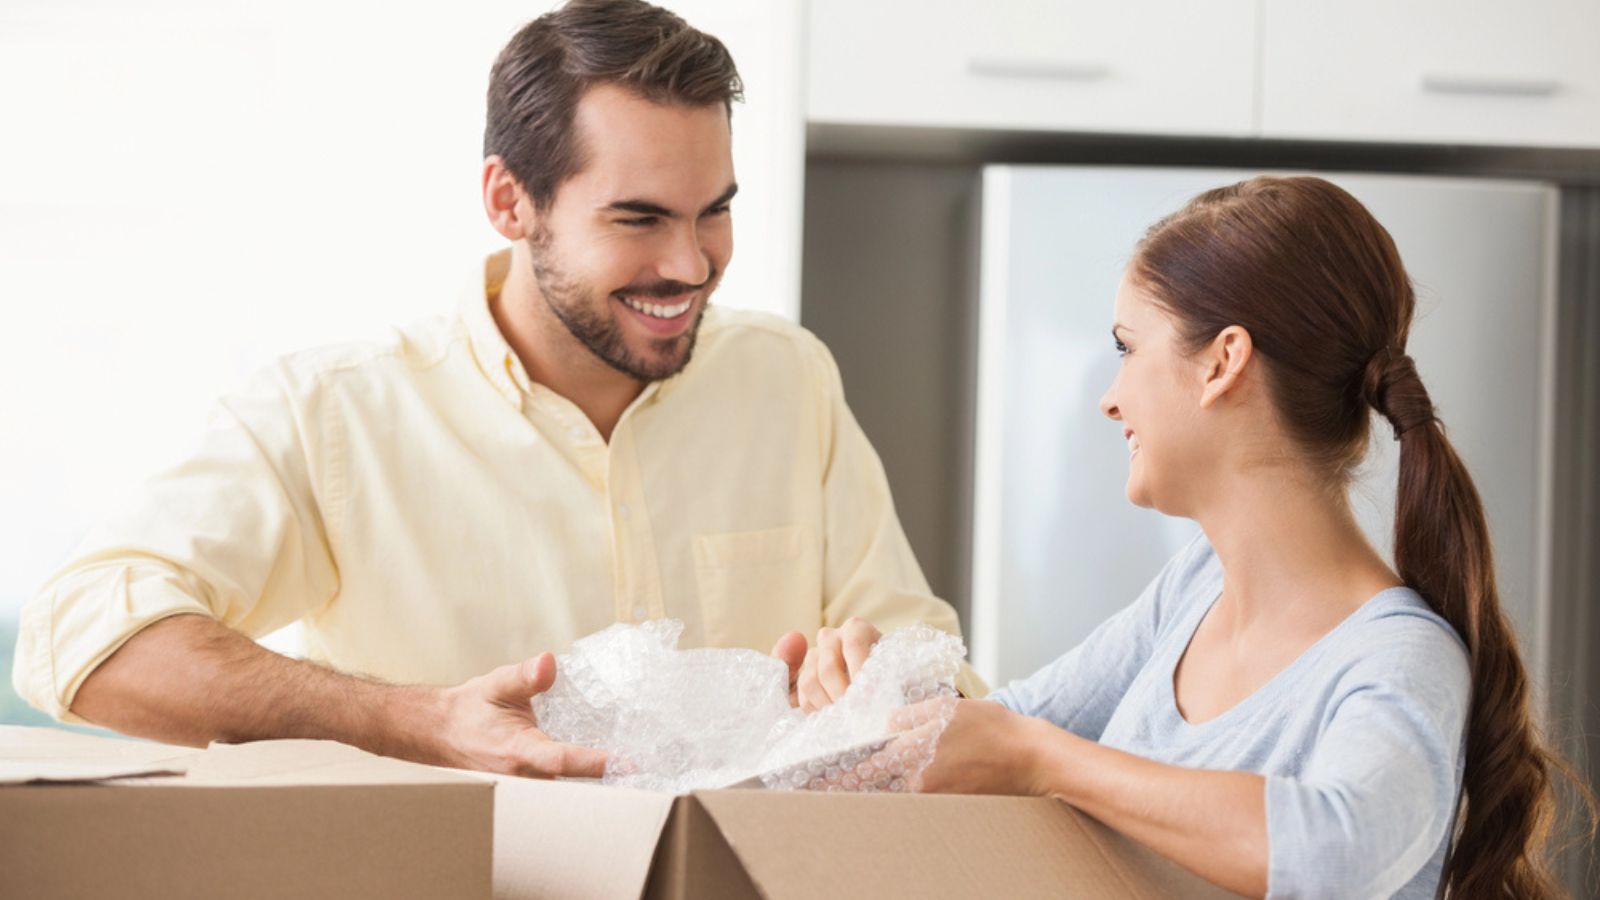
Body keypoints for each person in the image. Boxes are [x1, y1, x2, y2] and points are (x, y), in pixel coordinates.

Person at [11, 0, 978, 777]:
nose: (691, 263)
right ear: (510, 201)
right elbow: (85, 638)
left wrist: (881, 679)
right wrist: (417, 721)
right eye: (637, 219)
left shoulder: (786, 378)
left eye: (714, 212)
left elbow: (927, 662)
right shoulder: (341, 412)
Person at [799, 176, 1594, 898]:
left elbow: (1334, 853)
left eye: (1127, 347)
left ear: (1222, 363)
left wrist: (1041, 760)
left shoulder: (1400, 657)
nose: (1110, 399)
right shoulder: (1192, 592)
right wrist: (875, 699)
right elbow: (1003, 729)